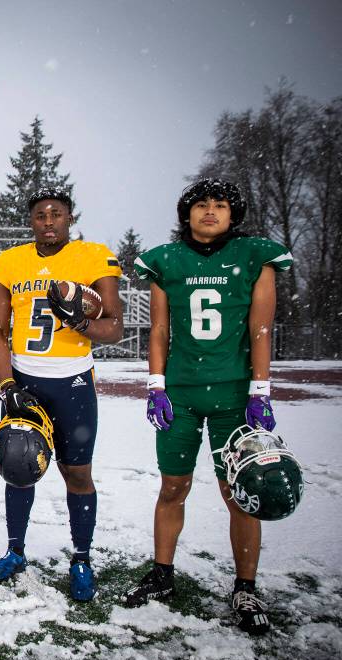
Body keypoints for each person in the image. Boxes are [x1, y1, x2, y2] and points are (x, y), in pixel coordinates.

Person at [124, 178, 292, 635]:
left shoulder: (255, 256)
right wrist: (156, 385)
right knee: (172, 486)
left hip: (233, 394)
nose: (211, 212)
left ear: (233, 215)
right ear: (187, 213)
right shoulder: (167, 260)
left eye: (220, 205)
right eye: (202, 204)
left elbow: (261, 329)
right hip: (180, 390)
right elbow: (158, 330)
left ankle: (245, 586)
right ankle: (162, 574)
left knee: (239, 492)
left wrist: (261, 390)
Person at [0, 188, 123, 601]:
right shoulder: (11, 261)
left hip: (73, 382)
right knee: (17, 464)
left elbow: (114, 327)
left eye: (56, 214)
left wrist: (79, 321)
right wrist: (7, 384)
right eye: (41, 214)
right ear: (32, 220)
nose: (48, 221)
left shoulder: (93, 256)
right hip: (25, 380)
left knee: (77, 473)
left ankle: (81, 558)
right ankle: (15, 551)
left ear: (69, 218)